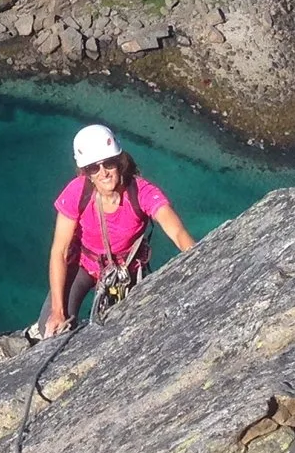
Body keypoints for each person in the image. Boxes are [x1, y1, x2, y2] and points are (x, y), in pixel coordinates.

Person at [41, 124, 194, 335]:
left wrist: (198, 260)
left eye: (108, 164)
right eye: (94, 168)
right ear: (86, 172)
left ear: (119, 162)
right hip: (84, 265)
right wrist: (58, 311)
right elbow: (60, 250)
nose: (103, 172)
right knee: (50, 330)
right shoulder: (77, 192)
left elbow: (177, 231)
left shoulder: (142, 193)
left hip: (125, 273)